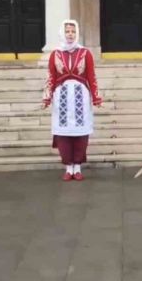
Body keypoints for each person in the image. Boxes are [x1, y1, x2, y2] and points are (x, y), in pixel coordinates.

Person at [42, 20, 102, 181]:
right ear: (63, 33)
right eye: (67, 31)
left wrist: (96, 96)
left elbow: (91, 76)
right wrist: (47, 97)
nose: (70, 34)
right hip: (61, 98)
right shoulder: (55, 54)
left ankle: (78, 166)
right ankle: (68, 167)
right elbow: (51, 76)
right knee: (63, 134)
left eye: (73, 32)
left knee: (81, 133)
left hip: (80, 98)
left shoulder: (85, 53)